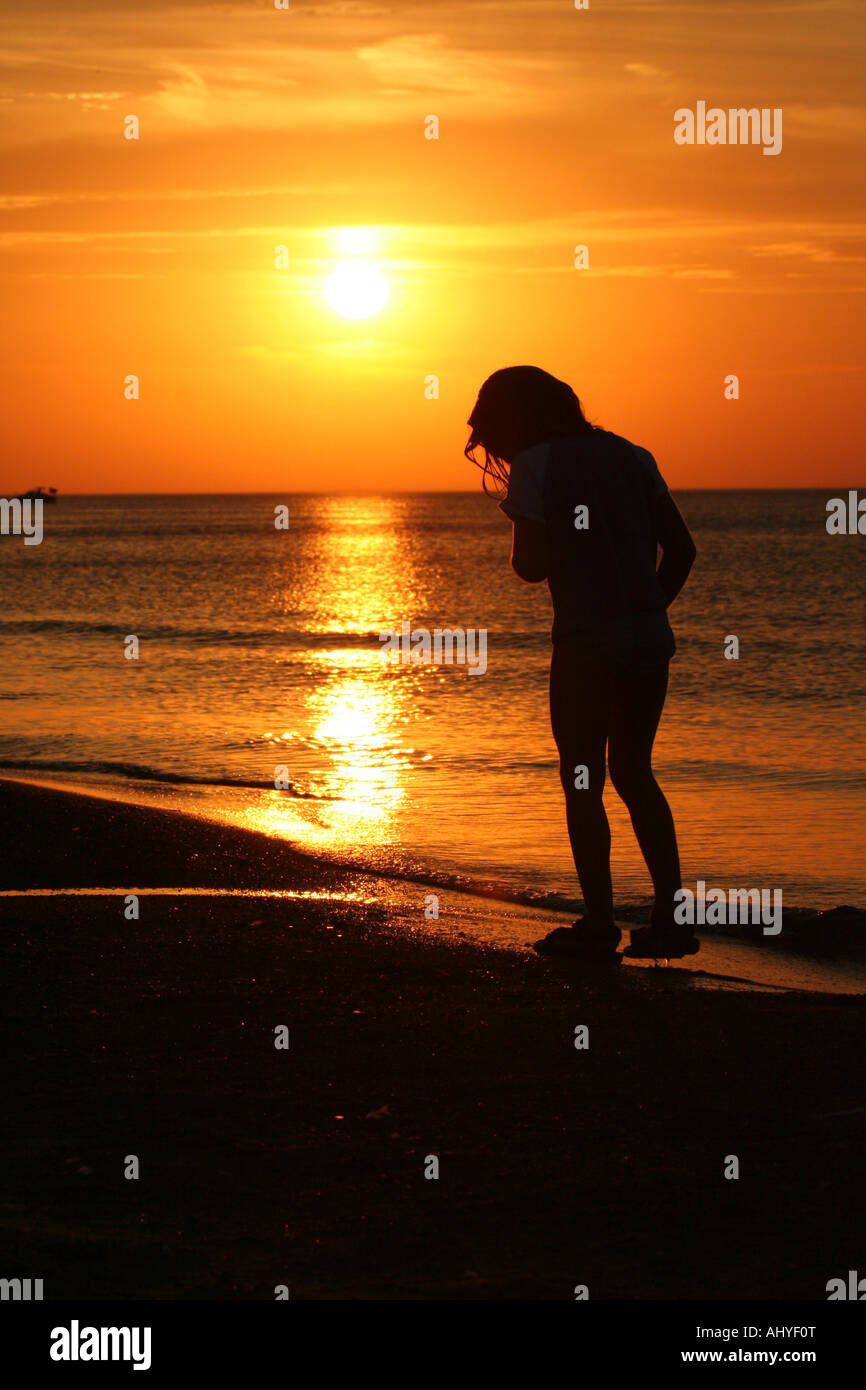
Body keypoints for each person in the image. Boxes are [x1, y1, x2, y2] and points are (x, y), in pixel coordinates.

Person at [465, 365, 697, 963]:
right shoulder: (633, 455)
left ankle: (599, 926)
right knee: (636, 775)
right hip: (647, 643)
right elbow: (683, 548)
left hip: (583, 648)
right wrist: (645, 608)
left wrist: (526, 519)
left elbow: (531, 568)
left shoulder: (538, 464)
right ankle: (671, 921)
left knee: (583, 780)